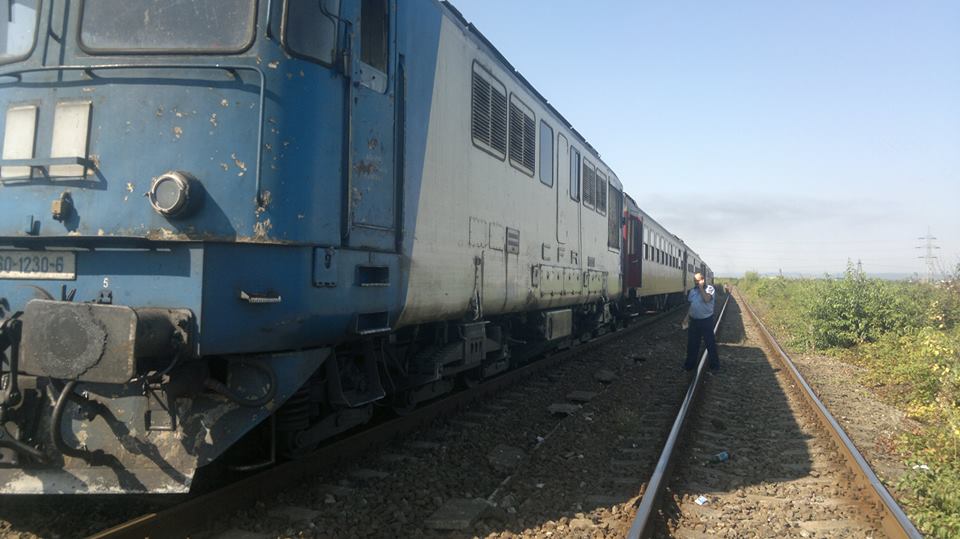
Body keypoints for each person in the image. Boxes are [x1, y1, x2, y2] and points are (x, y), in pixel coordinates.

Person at [681, 272, 719, 371]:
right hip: (694, 321)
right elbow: (692, 305)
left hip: (706, 320)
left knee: (710, 343)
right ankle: (689, 365)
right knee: (692, 344)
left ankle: (715, 366)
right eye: (695, 281)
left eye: (698, 281)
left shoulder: (710, 289)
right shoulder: (692, 291)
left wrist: (701, 288)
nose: (696, 283)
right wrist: (686, 318)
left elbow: (707, 299)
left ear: (703, 280)